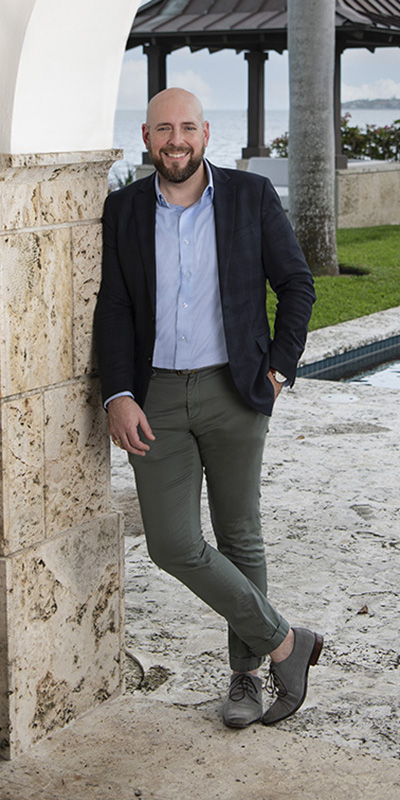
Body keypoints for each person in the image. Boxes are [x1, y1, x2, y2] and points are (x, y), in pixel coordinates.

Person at [94, 87, 323, 729]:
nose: (177, 140)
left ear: (205, 134)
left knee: (239, 534)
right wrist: (118, 393)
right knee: (172, 543)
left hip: (235, 390)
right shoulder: (123, 209)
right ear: (146, 137)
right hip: (155, 397)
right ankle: (287, 644)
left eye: (187, 127)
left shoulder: (250, 197)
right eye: (164, 129)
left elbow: (296, 283)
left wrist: (278, 369)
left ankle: (245, 678)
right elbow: (114, 306)